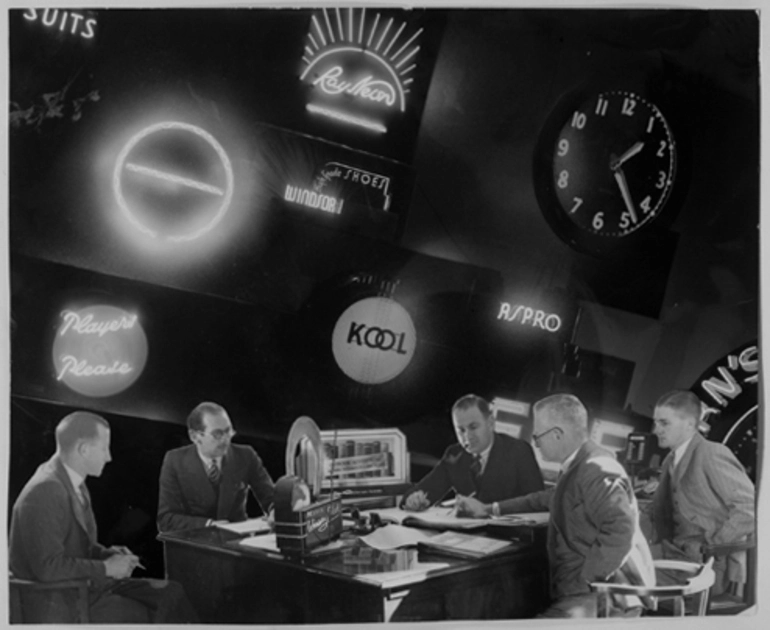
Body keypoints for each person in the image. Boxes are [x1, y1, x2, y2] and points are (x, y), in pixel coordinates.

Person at [457, 393, 655, 618]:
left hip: (605, 598)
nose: (535, 443)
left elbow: (621, 529)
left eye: (537, 435)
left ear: (557, 434)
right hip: (586, 591)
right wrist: (490, 509)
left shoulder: (597, 468)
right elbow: (545, 498)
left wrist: (589, 579)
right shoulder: (579, 465)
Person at [8, 411, 197, 623]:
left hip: (85, 588)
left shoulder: (73, 481)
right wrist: (107, 567)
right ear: (84, 449)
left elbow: (79, 548)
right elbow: (47, 567)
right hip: (63, 602)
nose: (109, 457)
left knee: (172, 592)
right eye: (105, 448)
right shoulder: (46, 490)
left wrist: (106, 554)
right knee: (155, 613)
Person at [650, 389, 755, 596]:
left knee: (625, 582)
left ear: (690, 424)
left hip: (705, 568)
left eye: (664, 423)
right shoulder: (670, 460)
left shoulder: (711, 453)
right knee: (614, 568)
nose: (656, 430)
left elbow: (750, 508)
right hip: (674, 555)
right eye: (656, 423)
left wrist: (713, 545)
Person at [401, 393, 544, 512]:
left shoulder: (518, 451)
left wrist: (491, 509)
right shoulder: (454, 454)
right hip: (468, 536)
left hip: (511, 536)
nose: (467, 437)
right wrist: (413, 499)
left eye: (473, 427)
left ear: (490, 423)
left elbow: (537, 503)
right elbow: (425, 489)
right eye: (461, 430)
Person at [157, 401, 276, 533]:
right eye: (217, 434)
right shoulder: (175, 461)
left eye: (228, 431)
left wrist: (275, 511)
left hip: (237, 543)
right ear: (195, 436)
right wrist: (209, 524)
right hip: (196, 543)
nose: (225, 440)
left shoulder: (246, 455)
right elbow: (166, 519)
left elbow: (270, 497)